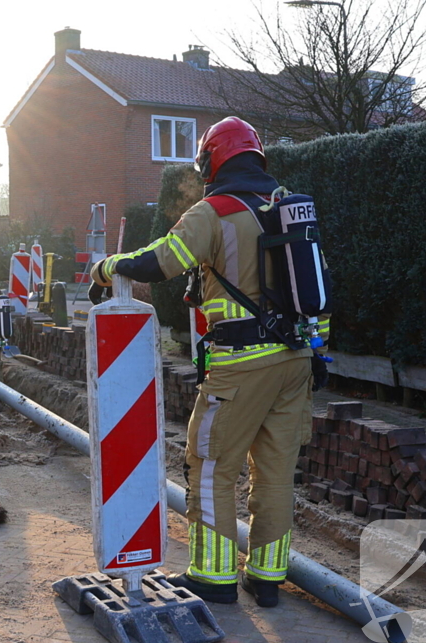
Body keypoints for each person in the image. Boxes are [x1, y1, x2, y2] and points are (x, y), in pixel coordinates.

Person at [89, 117, 330, 608]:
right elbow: (317, 295)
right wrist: (318, 355)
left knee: (210, 465)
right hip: (297, 361)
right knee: (277, 472)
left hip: (241, 366)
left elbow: (159, 262)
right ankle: (267, 577)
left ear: (210, 161)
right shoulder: (288, 208)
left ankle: (214, 577)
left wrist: (107, 266)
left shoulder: (214, 210)